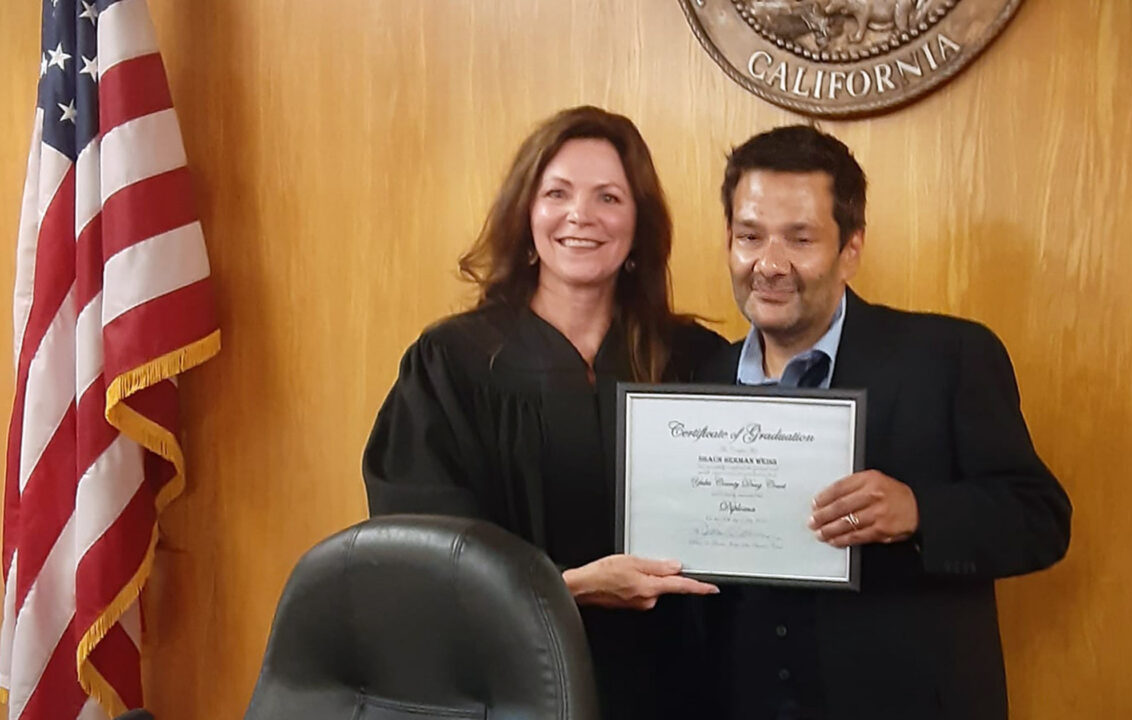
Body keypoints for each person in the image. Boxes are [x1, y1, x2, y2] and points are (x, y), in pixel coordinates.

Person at [362, 106, 727, 719]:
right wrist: (573, 587)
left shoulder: (694, 360)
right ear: (526, 214)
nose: (581, 216)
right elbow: (424, 553)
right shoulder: (452, 362)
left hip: (672, 687)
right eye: (557, 193)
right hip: (506, 682)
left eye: (609, 197)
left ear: (638, 226)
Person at [698, 125, 1072, 720]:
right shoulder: (696, 381)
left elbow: (1041, 519)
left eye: (800, 238)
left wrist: (919, 511)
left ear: (851, 248)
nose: (769, 264)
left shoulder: (950, 356)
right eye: (750, 236)